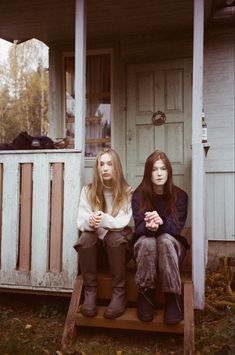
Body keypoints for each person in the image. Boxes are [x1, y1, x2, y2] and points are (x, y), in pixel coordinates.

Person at [131, 150, 189, 324]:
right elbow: (139, 227)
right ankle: (146, 292)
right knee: (148, 241)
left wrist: (160, 223)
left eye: (163, 169)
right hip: (145, 247)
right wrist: (149, 227)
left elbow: (176, 228)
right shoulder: (138, 195)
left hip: (172, 247)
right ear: (148, 172)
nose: (158, 173)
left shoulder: (180, 196)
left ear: (168, 171)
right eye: (154, 169)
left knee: (163, 240)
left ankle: (172, 296)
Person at [74, 148, 133, 319]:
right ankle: (90, 292)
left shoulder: (127, 192)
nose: (105, 168)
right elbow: (81, 220)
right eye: (101, 164)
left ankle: (119, 294)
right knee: (85, 238)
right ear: (97, 168)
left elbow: (124, 222)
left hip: (119, 252)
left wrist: (102, 220)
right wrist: (90, 222)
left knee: (114, 237)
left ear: (116, 168)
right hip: (96, 254)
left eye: (109, 164)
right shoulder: (88, 191)